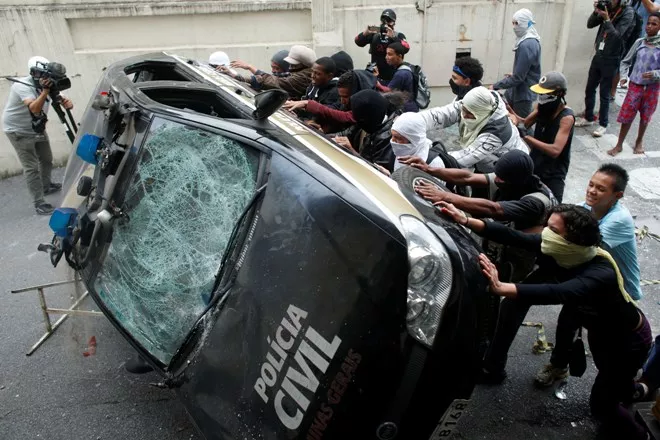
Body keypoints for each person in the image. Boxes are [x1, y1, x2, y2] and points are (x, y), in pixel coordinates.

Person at [441, 202, 650, 440]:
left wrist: (502, 287)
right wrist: (465, 219)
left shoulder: (601, 271)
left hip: (627, 343)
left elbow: (561, 292)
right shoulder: (561, 250)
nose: (545, 233)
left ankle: (641, 434)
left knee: (602, 405)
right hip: (601, 336)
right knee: (613, 383)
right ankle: (634, 389)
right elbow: (515, 237)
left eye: (553, 229)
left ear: (573, 240)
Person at [533, 164, 644, 387]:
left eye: (601, 189)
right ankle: (559, 367)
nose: (592, 191)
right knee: (568, 322)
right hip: (593, 282)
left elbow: (580, 247)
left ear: (617, 195)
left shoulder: (618, 220)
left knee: (605, 337)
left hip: (620, 292)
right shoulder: (586, 208)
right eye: (591, 184)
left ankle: (627, 373)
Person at [410, 149, 555, 233]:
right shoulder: (512, 178)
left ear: (516, 180)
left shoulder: (535, 201)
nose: (497, 180)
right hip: (512, 225)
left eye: (501, 179)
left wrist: (444, 196)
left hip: (528, 246)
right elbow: (468, 177)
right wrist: (429, 169)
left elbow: (493, 209)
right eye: (497, 175)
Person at [2, 56, 73, 215]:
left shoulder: (48, 83)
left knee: (46, 158)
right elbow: (34, 108)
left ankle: (46, 186)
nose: (47, 79)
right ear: (35, 73)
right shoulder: (22, 86)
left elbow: (61, 98)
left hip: (37, 128)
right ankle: (39, 202)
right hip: (18, 130)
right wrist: (45, 92)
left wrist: (66, 102)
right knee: (31, 167)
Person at [415, 86, 529, 172]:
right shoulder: (477, 102)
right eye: (464, 110)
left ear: (482, 113)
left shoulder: (496, 133)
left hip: (511, 168)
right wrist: (415, 121)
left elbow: (465, 157)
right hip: (486, 159)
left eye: (470, 114)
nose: (464, 116)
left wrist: (429, 158)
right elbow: (444, 114)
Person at [576, 0, 636, 138]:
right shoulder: (607, 7)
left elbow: (616, 36)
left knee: (604, 94)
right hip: (599, 55)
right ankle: (589, 117)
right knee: (590, 88)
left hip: (612, 58)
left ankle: (603, 124)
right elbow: (590, 24)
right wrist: (596, 11)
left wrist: (607, 19)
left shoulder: (628, 13)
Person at [513, 72, 575, 202]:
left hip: (553, 172)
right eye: (540, 93)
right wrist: (509, 111)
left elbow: (555, 151)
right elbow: (526, 123)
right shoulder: (542, 107)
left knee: (554, 206)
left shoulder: (566, 118)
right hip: (536, 163)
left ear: (559, 94)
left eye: (545, 94)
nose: (542, 97)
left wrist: (526, 137)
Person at [609, 12, 660, 155]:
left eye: (654, 24)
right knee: (627, 115)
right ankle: (619, 144)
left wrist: (656, 74)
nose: (649, 26)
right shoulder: (640, 43)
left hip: (652, 88)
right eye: (648, 23)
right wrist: (624, 76)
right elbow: (625, 61)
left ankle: (639, 141)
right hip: (635, 86)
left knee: (645, 117)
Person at [492, 9, 542, 118]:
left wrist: (495, 86)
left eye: (517, 23)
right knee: (506, 116)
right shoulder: (529, 40)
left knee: (520, 125)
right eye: (513, 23)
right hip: (517, 89)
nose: (514, 27)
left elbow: (518, 77)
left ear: (527, 23)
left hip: (523, 93)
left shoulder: (527, 45)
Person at [332, 89, 398, 171]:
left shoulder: (388, 138)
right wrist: (320, 134)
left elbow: (379, 172)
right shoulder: (364, 121)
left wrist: (352, 152)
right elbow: (346, 134)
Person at [354, 8, 409, 84]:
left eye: (389, 21)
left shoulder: (398, 35)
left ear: (393, 23)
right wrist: (365, 33)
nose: (385, 23)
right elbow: (358, 42)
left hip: (392, 76)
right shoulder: (374, 34)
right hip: (375, 75)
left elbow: (406, 48)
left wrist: (393, 38)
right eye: (383, 20)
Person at [244, 45, 315, 100]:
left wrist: (250, 79)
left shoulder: (303, 77)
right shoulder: (296, 73)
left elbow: (277, 82)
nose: (291, 67)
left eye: (293, 65)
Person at [378, 42, 418, 112]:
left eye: (390, 54)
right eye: (386, 54)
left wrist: (377, 84)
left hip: (405, 110)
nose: (386, 57)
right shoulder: (407, 67)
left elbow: (388, 91)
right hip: (410, 107)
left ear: (399, 56)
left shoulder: (401, 73)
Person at [226, 50, 290, 90]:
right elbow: (263, 80)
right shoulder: (277, 80)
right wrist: (235, 76)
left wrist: (249, 67)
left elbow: (266, 80)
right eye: (272, 67)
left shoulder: (290, 82)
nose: (273, 71)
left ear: (286, 68)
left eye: (277, 68)